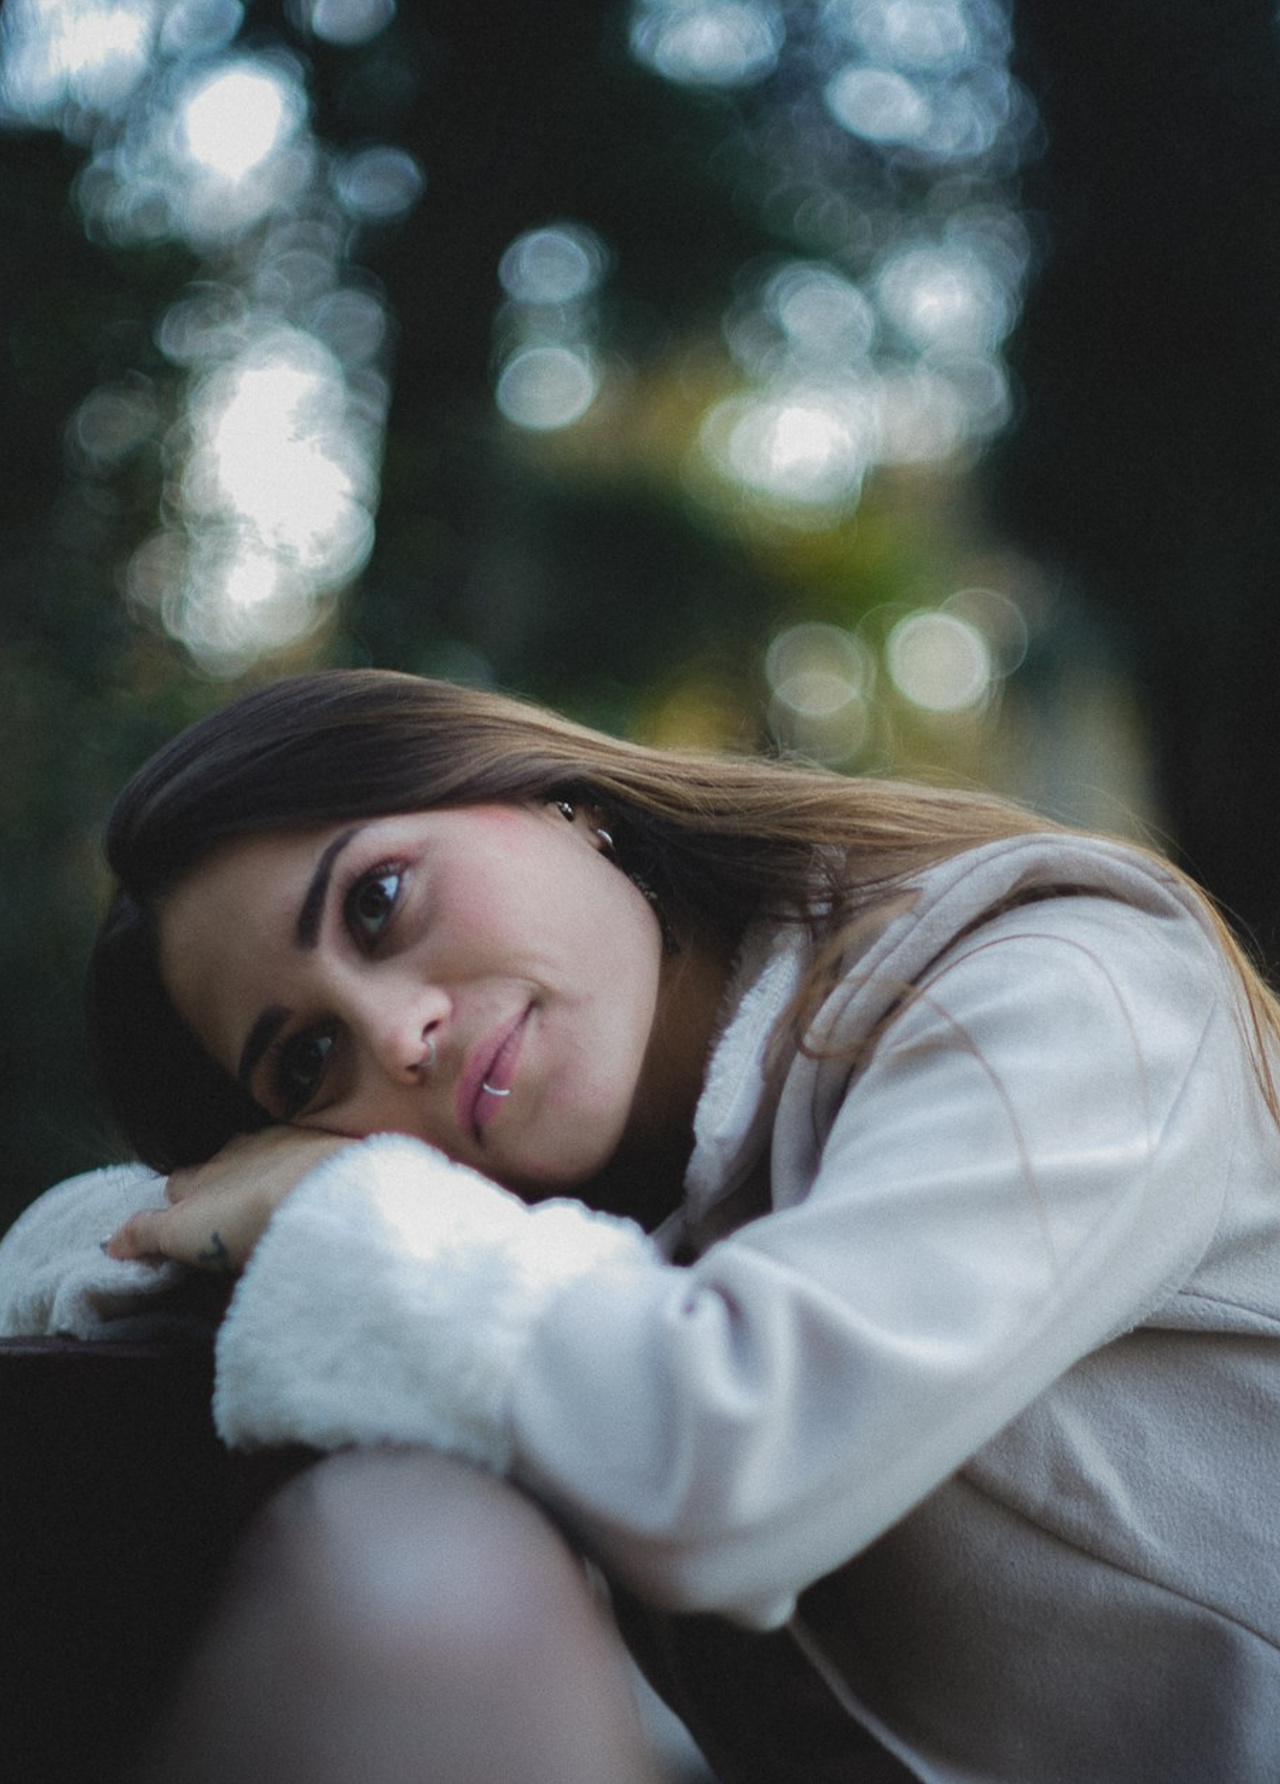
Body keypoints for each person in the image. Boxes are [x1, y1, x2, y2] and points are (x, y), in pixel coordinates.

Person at [3, 666, 1280, 1783]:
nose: (395, 1036)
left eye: (378, 902)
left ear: (553, 798)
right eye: (306, 1063)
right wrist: (198, 1222)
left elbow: (729, 1460)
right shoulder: (576, 1225)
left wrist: (327, 1209)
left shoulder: (1057, 989)